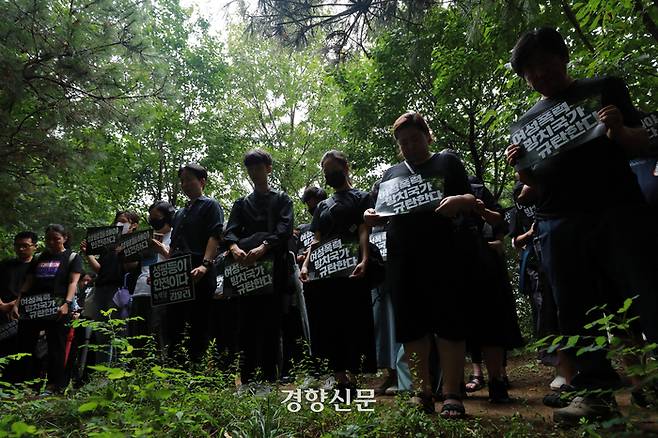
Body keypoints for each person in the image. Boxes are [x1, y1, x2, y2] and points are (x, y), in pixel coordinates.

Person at [506, 27, 657, 424]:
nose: (539, 73)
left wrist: (620, 130)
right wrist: (522, 168)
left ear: (563, 57)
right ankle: (595, 394)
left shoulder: (604, 88)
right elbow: (535, 187)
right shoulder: (528, 122)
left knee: (643, 294)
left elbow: (645, 141)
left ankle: (650, 380)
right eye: (529, 70)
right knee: (576, 311)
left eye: (544, 62)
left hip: (617, 211)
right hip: (558, 223)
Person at [364, 112, 480, 418]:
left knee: (449, 322)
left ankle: (452, 393)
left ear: (427, 137)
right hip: (402, 257)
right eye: (403, 142)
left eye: (415, 139)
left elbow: (471, 195)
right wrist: (370, 217)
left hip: (444, 253)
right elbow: (380, 212)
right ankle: (422, 392)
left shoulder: (446, 162)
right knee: (412, 326)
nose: (410, 146)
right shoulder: (389, 175)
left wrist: (459, 201)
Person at [300, 150, 377, 395]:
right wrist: (306, 264)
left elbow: (364, 230)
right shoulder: (323, 205)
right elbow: (317, 239)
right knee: (329, 321)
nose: (329, 174)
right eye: (325, 171)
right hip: (324, 272)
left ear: (345, 167)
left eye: (332, 168)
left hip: (351, 269)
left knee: (353, 318)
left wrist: (365, 259)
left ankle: (354, 373)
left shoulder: (362, 197)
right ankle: (339, 376)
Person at [224, 149, 294, 384]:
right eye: (250, 168)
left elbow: (284, 230)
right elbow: (230, 231)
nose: (254, 172)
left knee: (271, 323)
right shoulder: (241, 203)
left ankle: (269, 377)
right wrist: (234, 248)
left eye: (258, 167)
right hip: (245, 271)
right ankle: (247, 378)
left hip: (273, 270)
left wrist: (264, 247)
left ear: (268, 168)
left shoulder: (282, 199)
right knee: (245, 323)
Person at [12, 224, 82, 393]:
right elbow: (28, 282)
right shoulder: (38, 257)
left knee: (56, 345)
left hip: (58, 306)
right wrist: (17, 303)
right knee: (26, 344)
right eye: (48, 239)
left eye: (56, 239)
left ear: (64, 238)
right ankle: (29, 383)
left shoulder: (72, 257)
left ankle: (54, 385)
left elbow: (73, 282)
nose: (52, 242)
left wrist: (67, 303)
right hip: (33, 306)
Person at [168, 163, 224, 362]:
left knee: (199, 321)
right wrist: (159, 275)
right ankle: (177, 368)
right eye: (182, 180)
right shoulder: (179, 214)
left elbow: (215, 235)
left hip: (200, 268)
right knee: (175, 320)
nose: (184, 184)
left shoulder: (210, 205)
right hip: (178, 271)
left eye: (189, 179)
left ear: (202, 181)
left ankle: (199, 368)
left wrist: (205, 264)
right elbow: (173, 247)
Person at [80, 211, 140, 364]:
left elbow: (131, 267)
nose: (118, 224)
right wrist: (89, 254)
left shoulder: (135, 243)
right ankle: (102, 374)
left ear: (134, 225)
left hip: (121, 290)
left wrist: (124, 252)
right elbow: (100, 270)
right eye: (117, 221)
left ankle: (121, 371)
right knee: (102, 332)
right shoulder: (107, 246)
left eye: (123, 221)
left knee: (120, 331)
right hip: (101, 290)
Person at [129, 201, 174, 355]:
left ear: (167, 217)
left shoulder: (176, 235)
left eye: (157, 217)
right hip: (139, 291)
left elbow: (179, 262)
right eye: (150, 217)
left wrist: (161, 249)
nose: (153, 220)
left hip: (162, 293)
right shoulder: (145, 237)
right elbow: (130, 265)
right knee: (137, 338)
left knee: (158, 336)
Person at [0, 231, 38, 381]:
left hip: (25, 315)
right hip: (2, 314)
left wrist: (16, 304)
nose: (21, 249)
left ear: (34, 247)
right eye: (18, 246)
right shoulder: (5, 265)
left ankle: (20, 383)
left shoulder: (38, 267)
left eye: (25, 246)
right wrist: (2, 305)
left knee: (23, 351)